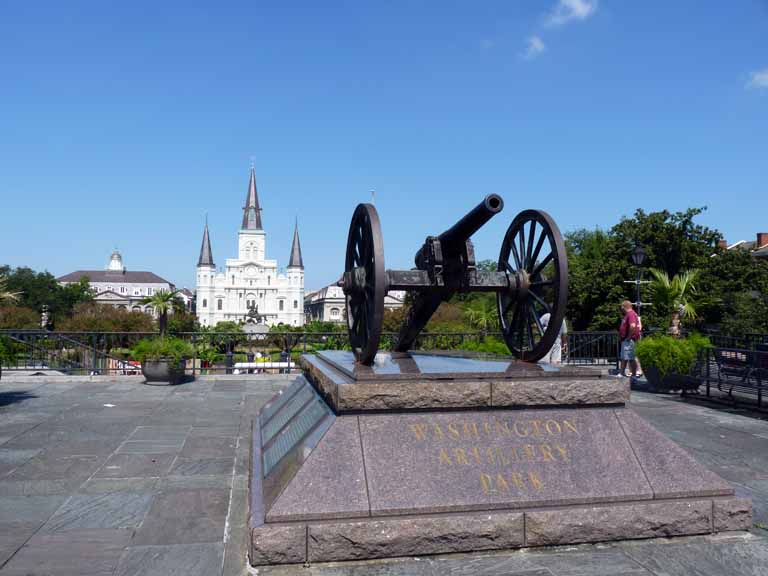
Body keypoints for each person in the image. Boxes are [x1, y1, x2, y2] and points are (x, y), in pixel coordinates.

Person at [618, 300, 640, 378]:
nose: (621, 309)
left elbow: (633, 326)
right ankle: (622, 373)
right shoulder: (629, 314)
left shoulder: (630, 314)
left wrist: (629, 337)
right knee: (626, 357)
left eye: (621, 307)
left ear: (624, 307)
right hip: (627, 339)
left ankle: (631, 374)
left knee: (630, 357)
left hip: (629, 340)